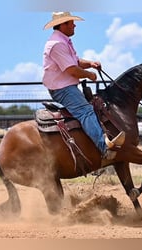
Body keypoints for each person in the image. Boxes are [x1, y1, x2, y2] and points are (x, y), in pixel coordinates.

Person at [42, 12, 125, 160]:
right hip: (62, 89)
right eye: (71, 22)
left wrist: (90, 64)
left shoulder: (62, 41)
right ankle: (104, 148)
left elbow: (75, 61)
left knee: (92, 108)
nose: (74, 25)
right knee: (85, 111)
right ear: (63, 25)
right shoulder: (57, 44)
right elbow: (71, 69)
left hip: (65, 86)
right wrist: (89, 75)